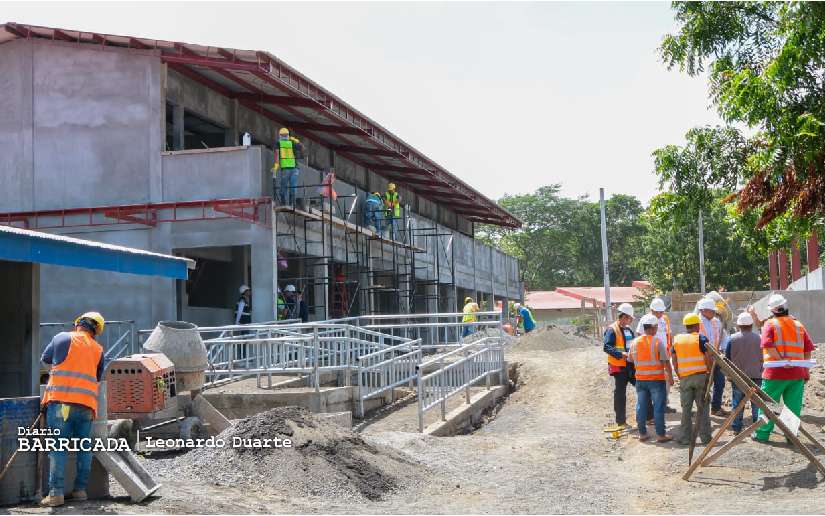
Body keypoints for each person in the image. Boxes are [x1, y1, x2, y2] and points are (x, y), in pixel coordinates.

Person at [39, 312, 106, 507]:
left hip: (61, 405)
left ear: (78, 323)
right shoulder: (98, 349)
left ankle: (56, 494)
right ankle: (80, 491)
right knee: (84, 447)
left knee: (58, 447)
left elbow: (45, 359)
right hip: (86, 407)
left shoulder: (62, 338)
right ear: (95, 331)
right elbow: (97, 377)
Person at [754, 294, 816, 442]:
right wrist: (805, 370)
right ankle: (791, 435)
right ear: (785, 307)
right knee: (793, 407)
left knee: (767, 405)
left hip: (775, 373)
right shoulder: (799, 325)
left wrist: (782, 362)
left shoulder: (770, 324)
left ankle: (762, 434)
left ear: (772, 310)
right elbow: (808, 350)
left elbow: (768, 347)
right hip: (796, 374)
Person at [628, 314, 674, 442]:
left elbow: (630, 360)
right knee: (658, 407)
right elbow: (666, 362)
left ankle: (642, 433)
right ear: (654, 328)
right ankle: (660, 435)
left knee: (641, 406)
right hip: (656, 380)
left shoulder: (635, 343)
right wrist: (670, 377)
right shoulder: (657, 342)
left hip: (641, 380)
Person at [671, 313, 713, 445]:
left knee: (686, 409)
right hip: (701, 377)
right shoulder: (700, 338)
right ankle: (706, 438)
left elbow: (674, 359)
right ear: (697, 326)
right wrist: (709, 372)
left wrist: (679, 374)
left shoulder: (677, 339)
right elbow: (708, 357)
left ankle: (685, 437)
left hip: (685, 378)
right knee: (703, 408)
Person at [636, 297, 676, 413]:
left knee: (666, 380)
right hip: (651, 355)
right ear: (651, 310)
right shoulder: (645, 319)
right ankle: (652, 407)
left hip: (664, 354)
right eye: (657, 312)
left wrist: (671, 349)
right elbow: (640, 335)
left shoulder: (665, 319)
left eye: (661, 312)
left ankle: (663, 404)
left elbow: (669, 335)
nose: (659, 314)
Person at [725, 312, 763, 435]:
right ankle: (757, 428)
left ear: (739, 325)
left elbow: (727, 358)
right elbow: (763, 357)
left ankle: (736, 429)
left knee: (737, 403)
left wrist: (729, 375)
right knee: (756, 403)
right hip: (756, 376)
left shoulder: (732, 339)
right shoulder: (759, 338)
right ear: (751, 325)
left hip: (738, 377)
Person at [603, 303, 636, 430]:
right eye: (629, 318)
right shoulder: (612, 329)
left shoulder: (628, 330)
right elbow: (606, 347)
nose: (630, 320)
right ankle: (621, 421)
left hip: (630, 365)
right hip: (619, 366)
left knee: (642, 387)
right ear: (623, 316)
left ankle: (648, 417)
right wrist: (619, 354)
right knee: (620, 393)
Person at [697, 297, 730, 416]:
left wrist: (723, 350)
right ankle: (702, 409)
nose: (714, 313)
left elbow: (724, 338)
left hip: (716, 357)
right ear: (703, 311)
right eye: (712, 311)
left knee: (720, 382)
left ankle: (715, 407)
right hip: (703, 359)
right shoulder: (696, 322)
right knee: (704, 385)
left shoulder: (716, 321)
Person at [272, 127, 304, 208]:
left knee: (293, 187)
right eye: (283, 135)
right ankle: (283, 203)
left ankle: (291, 204)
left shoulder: (292, 142)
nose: (284, 136)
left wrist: (298, 142)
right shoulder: (278, 143)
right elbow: (276, 154)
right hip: (285, 168)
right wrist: (276, 165)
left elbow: (302, 149)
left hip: (294, 168)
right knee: (284, 186)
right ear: (280, 135)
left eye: (285, 135)